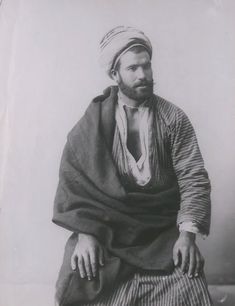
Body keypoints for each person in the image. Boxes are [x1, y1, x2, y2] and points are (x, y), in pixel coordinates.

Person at [53, 26, 213, 306]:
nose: (143, 75)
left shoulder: (173, 119)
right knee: (82, 276)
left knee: (189, 281)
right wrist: (86, 234)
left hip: (160, 233)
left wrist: (187, 236)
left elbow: (193, 178)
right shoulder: (95, 122)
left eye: (146, 66)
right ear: (114, 75)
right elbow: (74, 182)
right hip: (108, 232)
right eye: (132, 69)